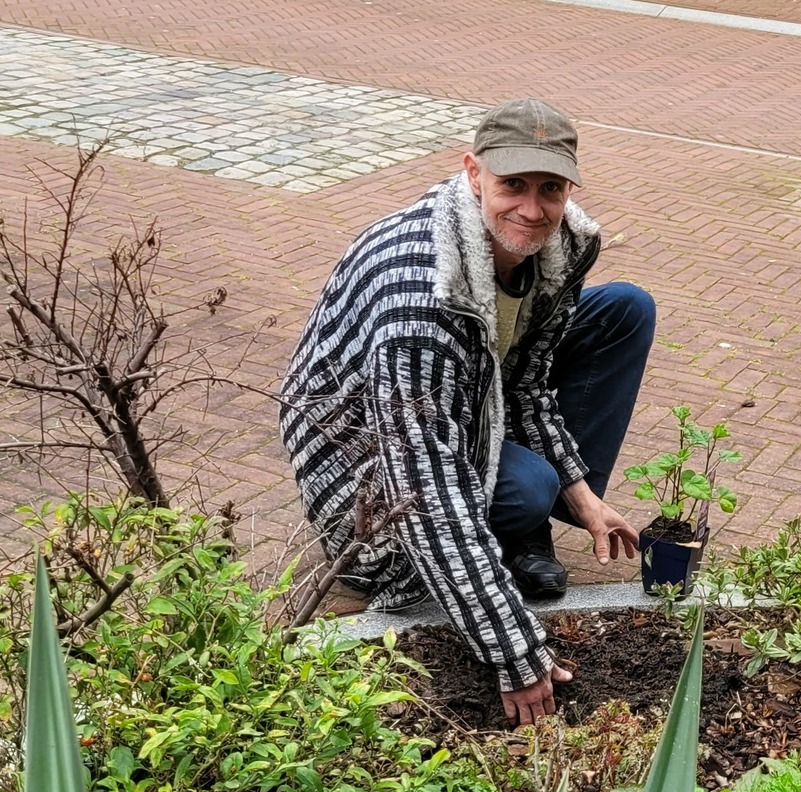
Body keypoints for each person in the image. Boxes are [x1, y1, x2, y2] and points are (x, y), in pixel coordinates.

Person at [280, 98, 655, 727]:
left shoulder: (559, 248)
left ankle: (525, 528)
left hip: (469, 401)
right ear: (473, 173)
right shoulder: (422, 300)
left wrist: (585, 497)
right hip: (365, 473)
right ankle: (512, 526)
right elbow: (422, 491)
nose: (532, 211)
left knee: (624, 308)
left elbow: (526, 382)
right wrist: (512, 647)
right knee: (525, 487)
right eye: (512, 186)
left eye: (550, 189)